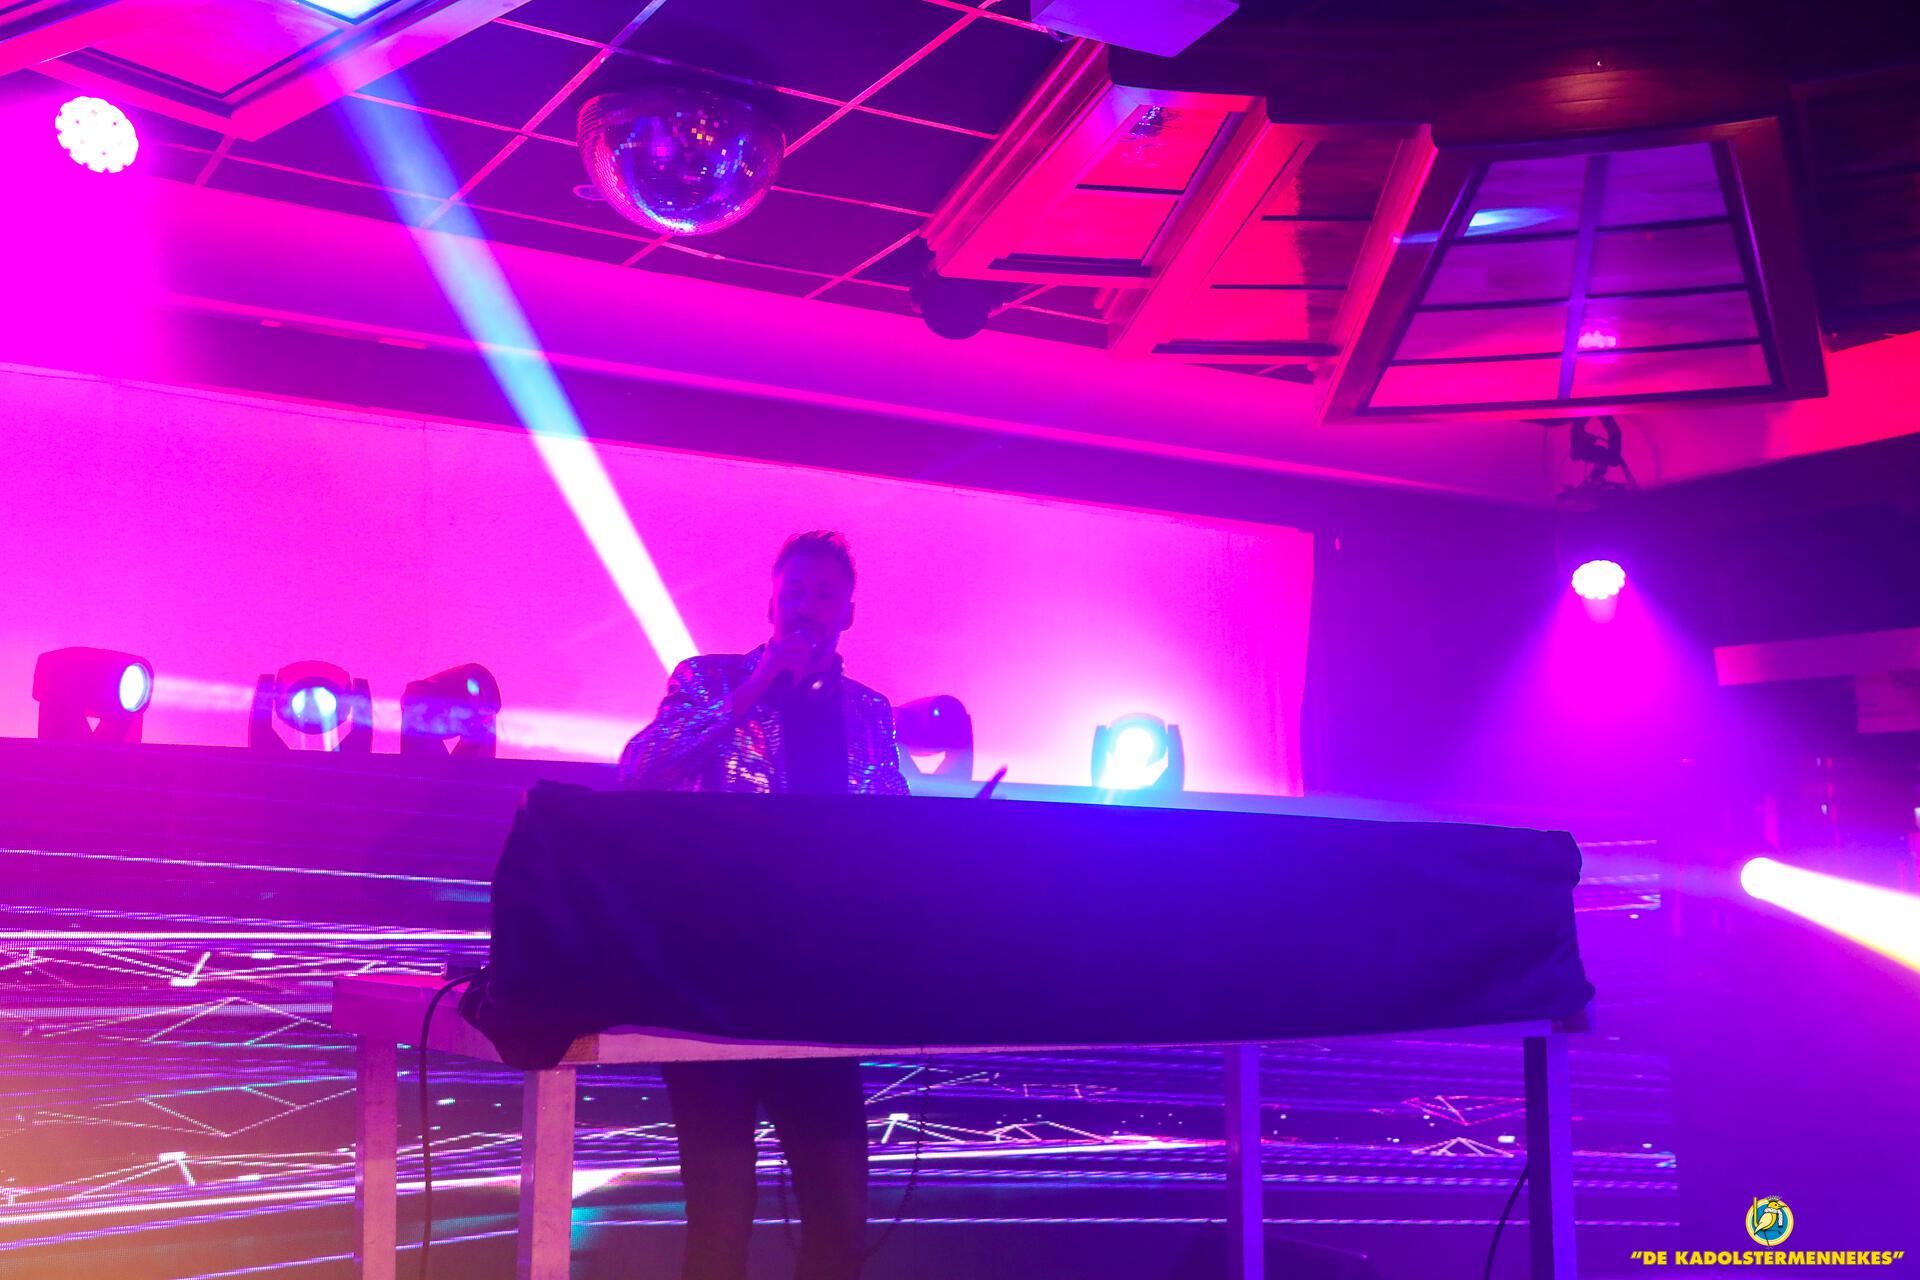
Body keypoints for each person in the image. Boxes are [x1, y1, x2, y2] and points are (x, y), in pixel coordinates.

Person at [620, 530, 908, 1280]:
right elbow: (640, 769)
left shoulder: (868, 712)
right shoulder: (708, 679)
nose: (807, 605)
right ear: (771, 603)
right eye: (794, 591)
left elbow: (892, 828)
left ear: (848, 612)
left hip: (819, 988)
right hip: (713, 983)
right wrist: (747, 695)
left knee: (839, 1211)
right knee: (721, 1215)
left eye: (824, 594)